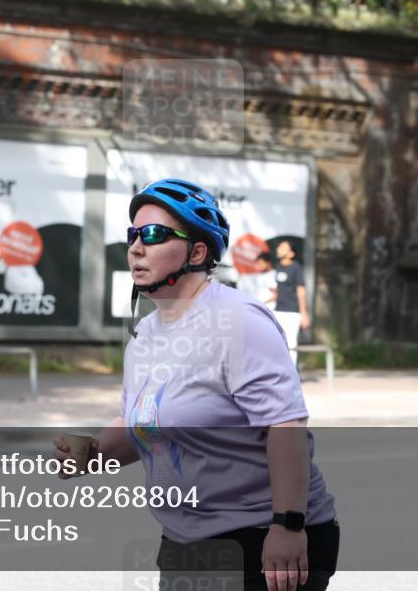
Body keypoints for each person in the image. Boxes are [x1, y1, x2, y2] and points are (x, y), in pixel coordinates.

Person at [54, 179, 338, 591]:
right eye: (133, 235)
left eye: (152, 235)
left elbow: (285, 425)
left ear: (198, 252)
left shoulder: (238, 321)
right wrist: (96, 453)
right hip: (187, 538)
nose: (136, 247)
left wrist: (288, 526)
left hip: (263, 537)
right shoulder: (146, 333)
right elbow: (143, 420)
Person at [273, 241, 310, 367]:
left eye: (283, 247)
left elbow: (301, 291)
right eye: (279, 246)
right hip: (277, 310)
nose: (279, 249)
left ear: (291, 253)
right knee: (276, 342)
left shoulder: (296, 268)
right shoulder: (277, 266)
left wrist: (303, 313)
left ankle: (291, 372)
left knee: (291, 343)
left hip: (292, 311)